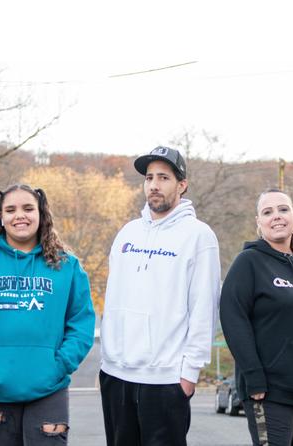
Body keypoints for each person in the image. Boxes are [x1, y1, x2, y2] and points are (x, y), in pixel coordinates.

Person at [0, 184, 95, 446]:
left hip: (49, 385)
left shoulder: (66, 265)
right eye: (10, 209)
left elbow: (81, 323)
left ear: (42, 214)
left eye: (28, 208)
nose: (20, 215)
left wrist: (59, 365)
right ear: (0, 217)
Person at [100, 146, 221, 446]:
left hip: (166, 379)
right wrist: (107, 359)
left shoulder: (199, 236)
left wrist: (189, 373)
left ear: (181, 185)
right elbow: (114, 300)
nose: (154, 184)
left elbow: (204, 308)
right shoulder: (127, 233)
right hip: (116, 375)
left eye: (164, 177)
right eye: (149, 177)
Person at [219, 188, 293, 446]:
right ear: (259, 222)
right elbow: (233, 318)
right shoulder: (248, 262)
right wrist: (254, 376)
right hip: (269, 391)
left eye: (283, 209)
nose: (277, 216)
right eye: (267, 212)